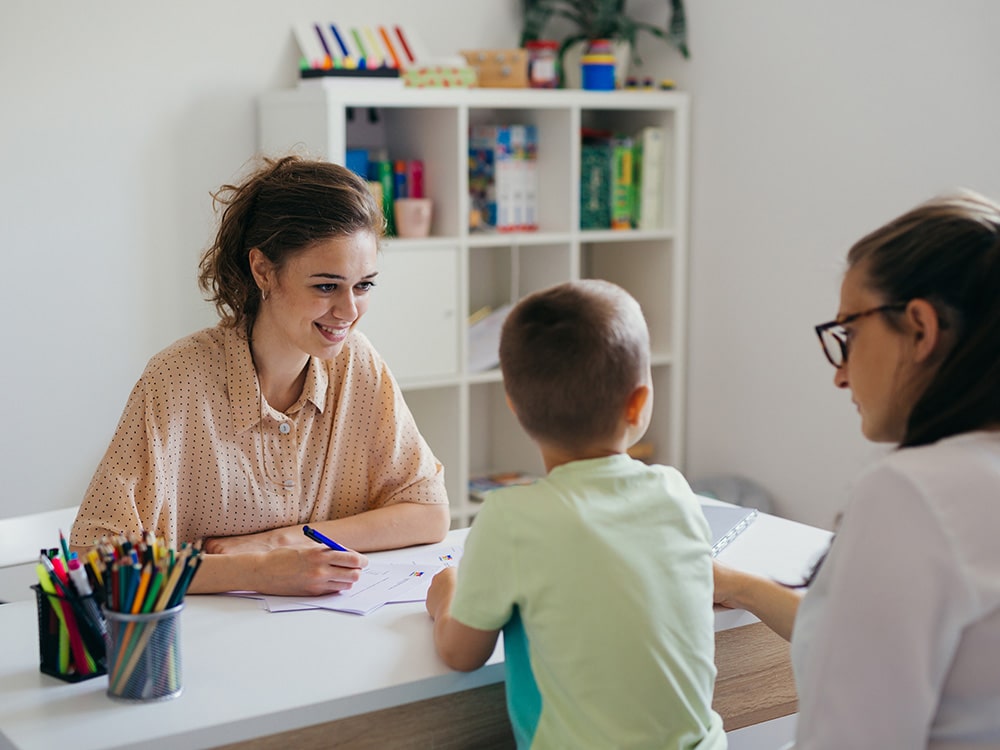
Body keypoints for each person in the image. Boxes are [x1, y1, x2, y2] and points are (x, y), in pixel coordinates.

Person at [71, 155, 450, 595]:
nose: (349, 311)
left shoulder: (357, 364)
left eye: (363, 285)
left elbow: (428, 511)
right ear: (263, 270)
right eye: (326, 286)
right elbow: (96, 562)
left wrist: (283, 541)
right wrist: (258, 572)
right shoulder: (176, 379)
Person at [713, 190, 1000, 748]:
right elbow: (875, 643)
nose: (840, 376)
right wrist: (742, 588)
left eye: (849, 334)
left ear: (919, 328)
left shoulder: (913, 495)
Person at [426, 280, 726, 749]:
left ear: (513, 406)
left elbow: (461, 653)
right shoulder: (675, 491)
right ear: (639, 402)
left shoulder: (510, 519)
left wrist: (446, 591)